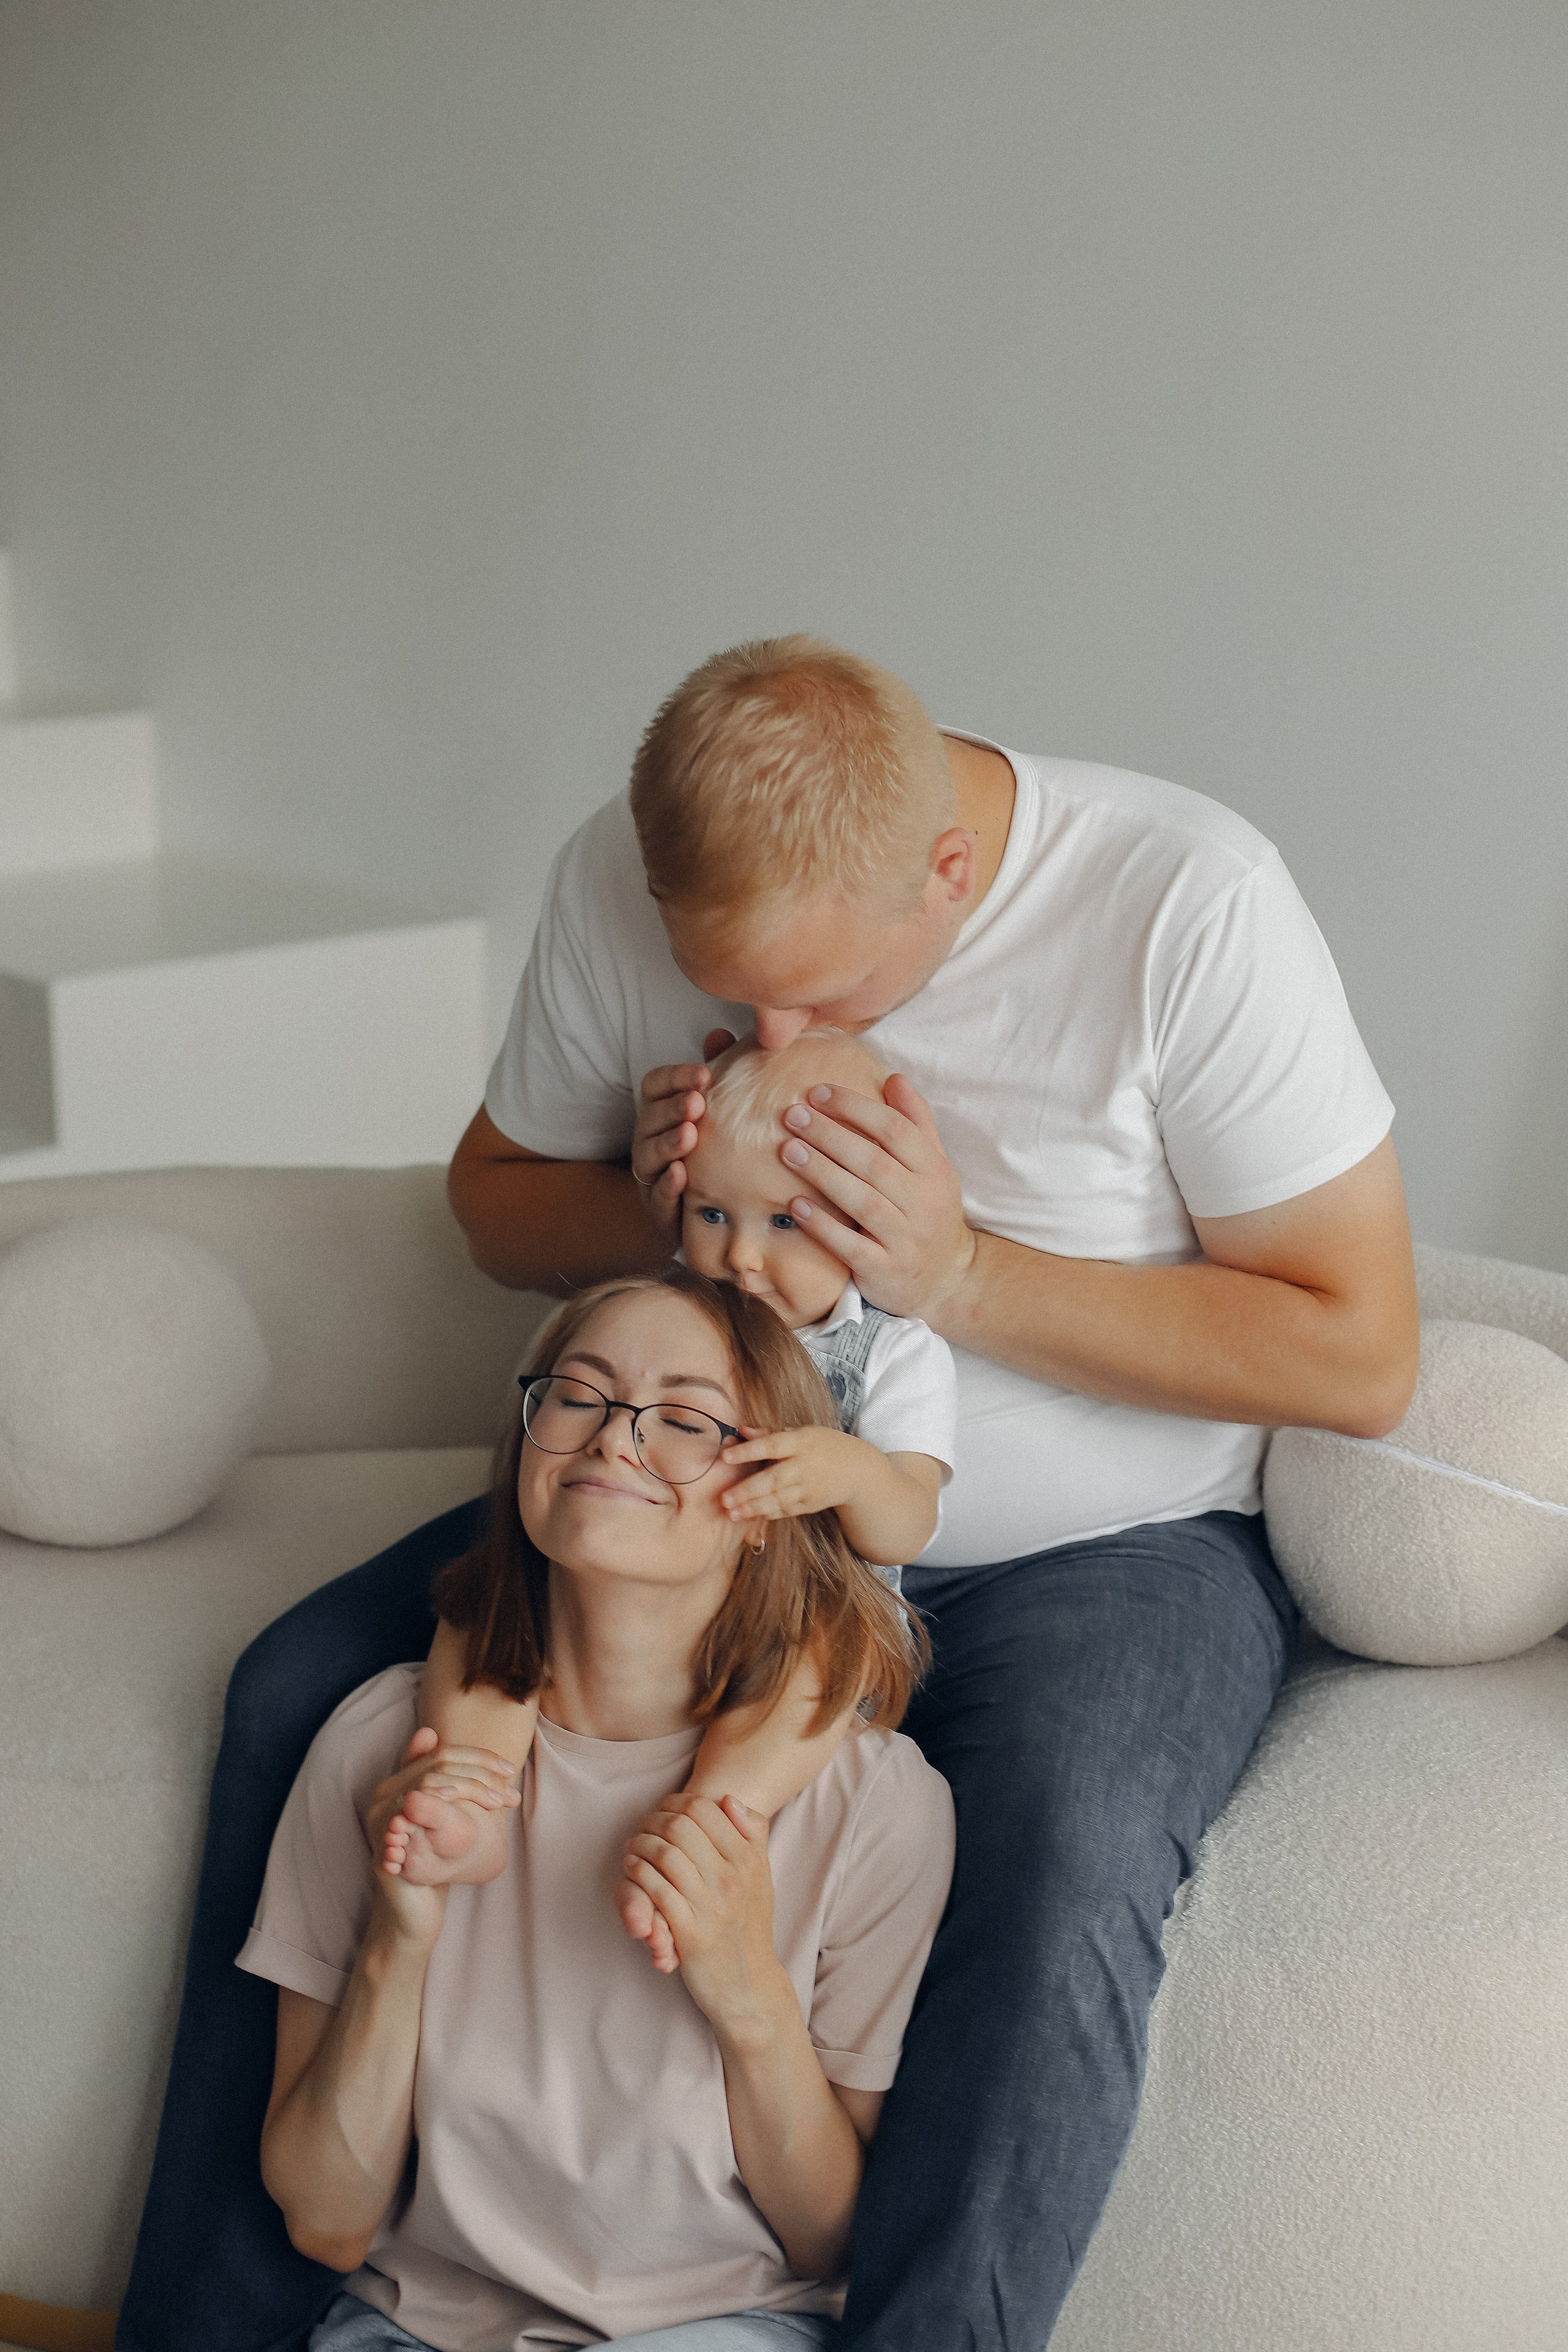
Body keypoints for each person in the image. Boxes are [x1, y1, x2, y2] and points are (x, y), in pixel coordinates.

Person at [120, 635, 1419, 2352]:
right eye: (724, 988)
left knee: (1068, 1844)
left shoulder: (1188, 904)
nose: (768, 1042)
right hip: (701, 1503)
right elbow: (499, 1207)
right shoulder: (622, 867)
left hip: (1102, 1552)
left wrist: (956, 1271)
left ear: (950, 876)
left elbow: (1360, 1354)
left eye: (824, 998)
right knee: (303, 1694)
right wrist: (658, 1203)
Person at [249, 1267, 954, 2352]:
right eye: (577, 1396)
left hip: (717, 2330)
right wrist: (401, 1938)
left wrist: (749, 1991)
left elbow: (829, 2242)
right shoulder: (383, 1747)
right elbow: (327, 2223)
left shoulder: (874, 1807)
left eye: (684, 1418)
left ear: (768, 1509)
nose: (614, 1440)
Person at [384, 1027, 958, 1989]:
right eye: (711, 1213)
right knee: (487, 1612)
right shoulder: (661, 1317)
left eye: (786, 1223)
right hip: (635, 1611)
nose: (738, 1256)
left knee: (822, 1662)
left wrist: (849, 1471)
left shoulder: (892, 1355)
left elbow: (911, 1521)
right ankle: (470, 1793)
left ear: (866, 1224)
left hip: (807, 1619)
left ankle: (714, 1815)